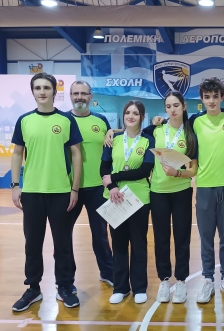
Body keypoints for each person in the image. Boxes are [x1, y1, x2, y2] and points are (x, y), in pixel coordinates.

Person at [153, 78, 224, 304]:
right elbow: (172, 124)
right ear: (201, 100)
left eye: (215, 96)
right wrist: (157, 119)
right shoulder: (194, 122)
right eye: (207, 97)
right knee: (206, 238)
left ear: (222, 97)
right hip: (203, 186)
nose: (211, 101)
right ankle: (207, 280)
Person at [11, 73, 82, 311]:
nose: (42, 91)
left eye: (46, 88)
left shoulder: (66, 120)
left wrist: (74, 188)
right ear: (33, 91)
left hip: (61, 191)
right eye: (38, 88)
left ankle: (65, 287)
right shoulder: (24, 120)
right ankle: (33, 288)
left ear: (54, 91)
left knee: (63, 243)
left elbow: (76, 155)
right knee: (32, 243)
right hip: (32, 192)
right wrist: (15, 185)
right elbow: (17, 153)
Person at [100, 100, 154, 304]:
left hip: (139, 198)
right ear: (123, 116)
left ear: (142, 117)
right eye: (128, 112)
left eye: (136, 113)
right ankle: (121, 288)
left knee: (139, 243)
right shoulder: (113, 139)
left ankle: (139, 287)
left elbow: (144, 170)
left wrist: (113, 177)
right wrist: (112, 187)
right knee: (119, 243)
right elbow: (104, 167)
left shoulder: (148, 141)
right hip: (115, 197)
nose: (131, 116)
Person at [146, 91, 198, 304]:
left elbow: (193, 170)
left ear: (184, 106)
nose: (172, 109)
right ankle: (164, 280)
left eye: (176, 105)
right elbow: (131, 131)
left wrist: (178, 173)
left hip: (181, 191)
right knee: (161, 239)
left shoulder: (190, 133)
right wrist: (111, 131)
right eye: (168, 106)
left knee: (182, 238)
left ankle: (182, 281)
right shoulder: (156, 130)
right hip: (158, 192)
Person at [67, 81, 114, 287]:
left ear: (90, 96)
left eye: (84, 93)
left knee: (100, 234)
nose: (79, 97)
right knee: (63, 236)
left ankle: (108, 272)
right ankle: (66, 279)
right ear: (70, 95)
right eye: (76, 93)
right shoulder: (63, 120)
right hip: (70, 189)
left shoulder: (101, 120)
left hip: (98, 188)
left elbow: (111, 149)